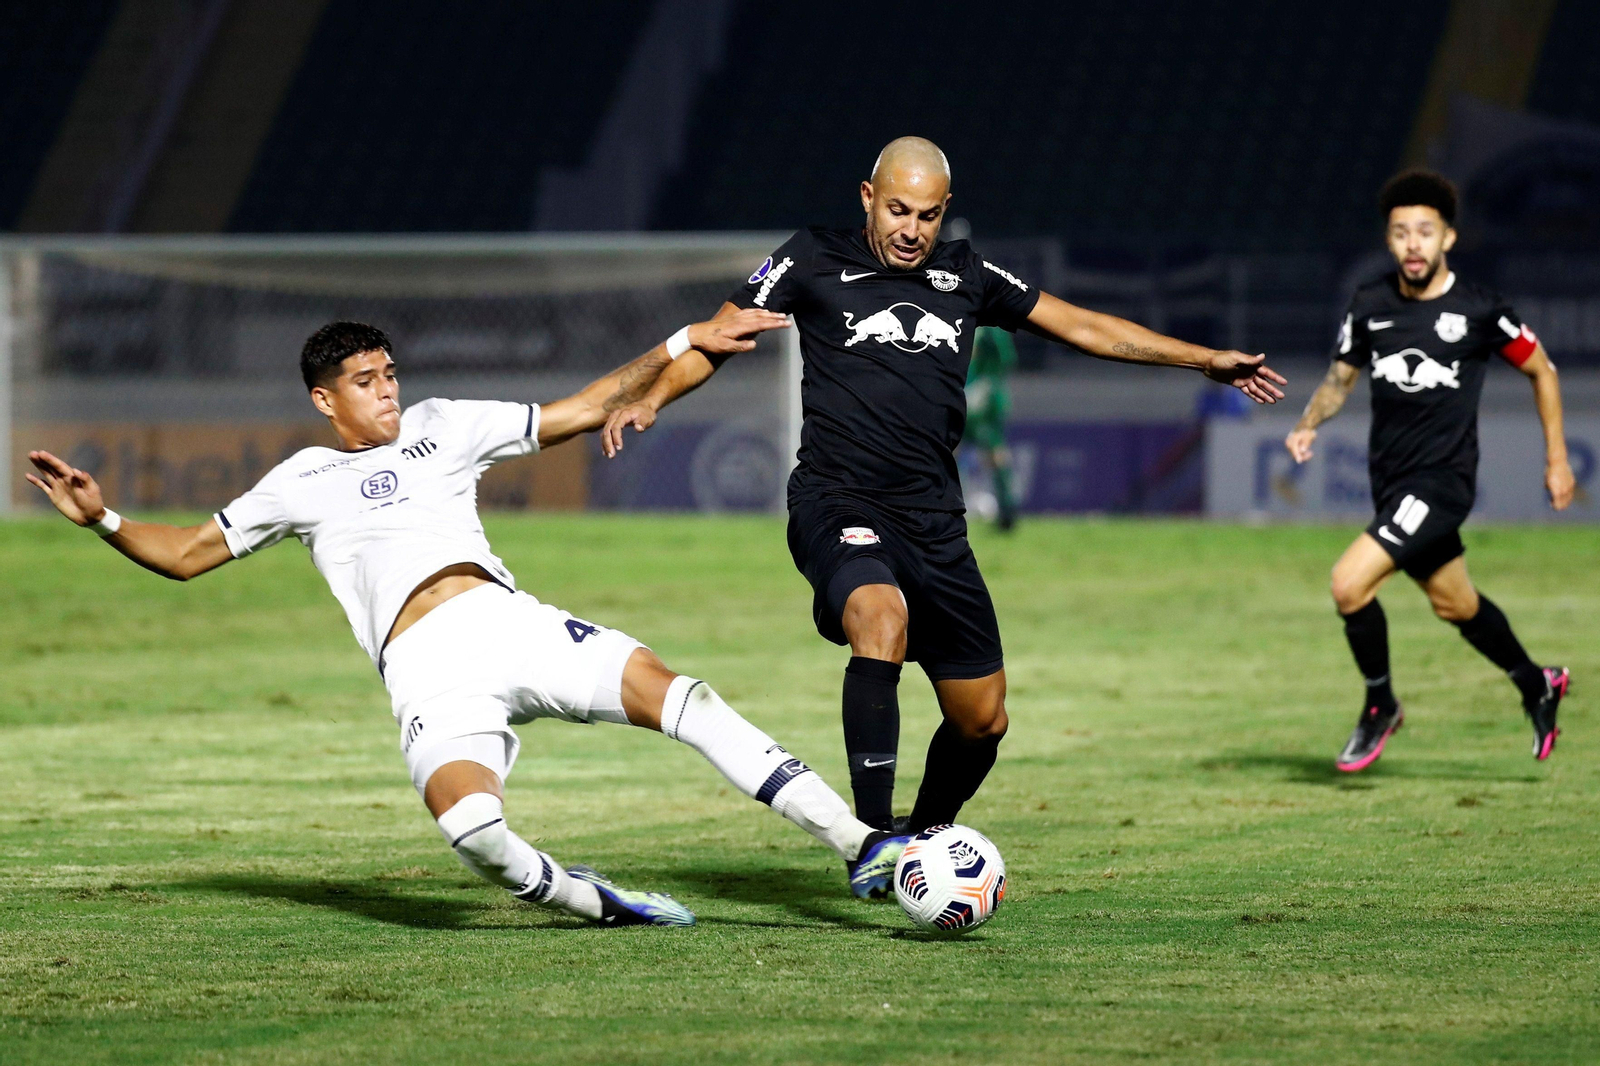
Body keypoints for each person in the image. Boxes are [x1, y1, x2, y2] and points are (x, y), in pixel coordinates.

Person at [25, 313, 911, 926]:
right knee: (473, 835)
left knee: (686, 698)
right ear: (324, 400)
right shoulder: (298, 480)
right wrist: (103, 519)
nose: (388, 391)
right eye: (365, 382)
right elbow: (186, 556)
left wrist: (682, 341)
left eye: (390, 374)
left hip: (504, 621)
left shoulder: (445, 424)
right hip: (425, 671)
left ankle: (860, 844)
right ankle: (592, 903)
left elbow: (581, 407)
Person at [600, 136, 1285, 864]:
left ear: (944, 211)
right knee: (879, 616)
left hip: (934, 521)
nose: (911, 229)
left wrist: (1204, 359)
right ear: (868, 197)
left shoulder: (967, 274)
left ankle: (921, 836)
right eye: (897, 210)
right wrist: (655, 397)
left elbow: (1084, 326)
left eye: (927, 215)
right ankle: (869, 841)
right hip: (838, 501)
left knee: (982, 720)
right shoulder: (809, 256)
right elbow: (718, 333)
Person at [1285, 169, 1573, 772]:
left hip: (1440, 483)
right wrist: (1310, 422)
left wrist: (1557, 460)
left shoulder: (1479, 310)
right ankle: (1536, 682)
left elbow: (1542, 370)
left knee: (1348, 584)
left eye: (1424, 231)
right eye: (1399, 233)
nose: (1412, 244)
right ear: (1388, 241)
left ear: (1449, 238)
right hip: (1391, 481)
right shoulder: (1370, 305)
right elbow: (1341, 379)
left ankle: (1379, 705)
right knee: (1455, 605)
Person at [962, 326, 1020, 531]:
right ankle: (950, 510)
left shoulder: (990, 327)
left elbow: (1005, 359)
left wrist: (986, 385)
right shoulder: (952, 315)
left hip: (984, 401)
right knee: (948, 452)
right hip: (959, 394)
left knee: (994, 453)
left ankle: (1007, 510)